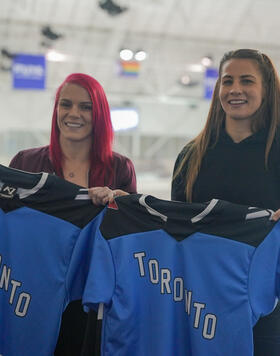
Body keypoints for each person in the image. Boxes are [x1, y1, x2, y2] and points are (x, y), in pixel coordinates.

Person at [9, 72, 137, 355]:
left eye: (85, 106)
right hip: (31, 292)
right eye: (65, 104)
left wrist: (121, 204)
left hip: (88, 299)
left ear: (100, 114)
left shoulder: (119, 169)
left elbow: (130, 244)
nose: (73, 113)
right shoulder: (25, 162)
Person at [171, 48, 280, 356]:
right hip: (198, 300)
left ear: (267, 89)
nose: (235, 89)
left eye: (247, 81)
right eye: (227, 81)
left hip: (264, 307)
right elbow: (174, 230)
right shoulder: (192, 156)